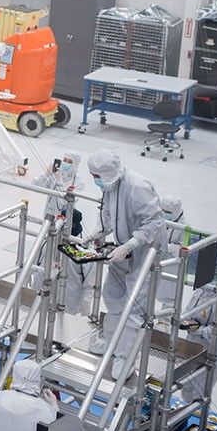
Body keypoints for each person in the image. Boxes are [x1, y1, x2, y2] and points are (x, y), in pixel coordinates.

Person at [85, 150, 166, 378]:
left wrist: (129, 246)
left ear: (107, 173)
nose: (95, 180)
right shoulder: (111, 186)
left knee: (132, 308)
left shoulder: (138, 186)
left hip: (145, 253)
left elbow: (155, 223)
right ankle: (111, 343)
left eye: (96, 176)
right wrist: (97, 233)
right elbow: (110, 215)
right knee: (112, 296)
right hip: (123, 251)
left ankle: (125, 359)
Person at [159, 195, 217, 405]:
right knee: (185, 388)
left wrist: (195, 329)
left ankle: (194, 424)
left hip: (209, 351)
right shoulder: (199, 292)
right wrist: (182, 322)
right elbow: (188, 311)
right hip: (190, 346)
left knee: (198, 392)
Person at [33, 152, 90, 317]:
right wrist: (47, 173)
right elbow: (36, 185)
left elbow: (61, 203)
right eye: (64, 160)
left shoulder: (78, 184)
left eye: (69, 161)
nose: (65, 163)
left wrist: (57, 181)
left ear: (76, 165)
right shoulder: (54, 175)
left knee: (62, 264)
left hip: (64, 228)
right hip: (48, 225)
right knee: (44, 258)